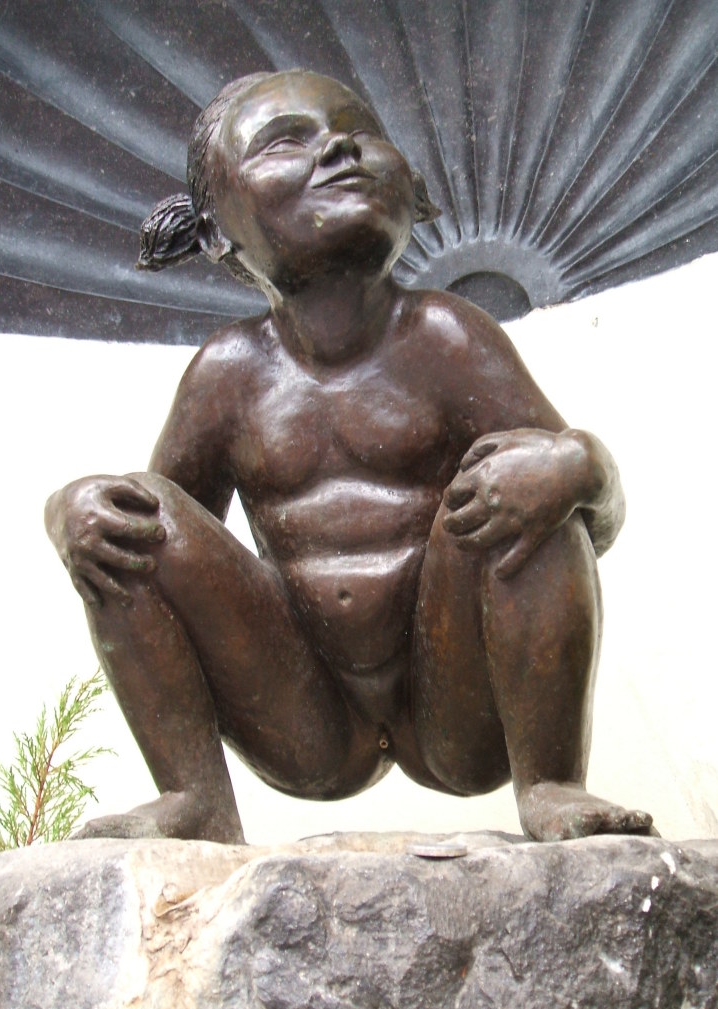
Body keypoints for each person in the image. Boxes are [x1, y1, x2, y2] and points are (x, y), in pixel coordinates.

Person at [45, 70, 653, 844]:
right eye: (284, 140)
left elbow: (593, 514)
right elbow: (164, 532)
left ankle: (552, 779)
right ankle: (193, 796)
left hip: (457, 708)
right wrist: (67, 513)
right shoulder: (227, 377)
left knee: (527, 467)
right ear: (215, 232)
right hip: (303, 717)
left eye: (358, 133)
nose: (337, 146)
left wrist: (579, 467)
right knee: (121, 517)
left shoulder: (447, 338)